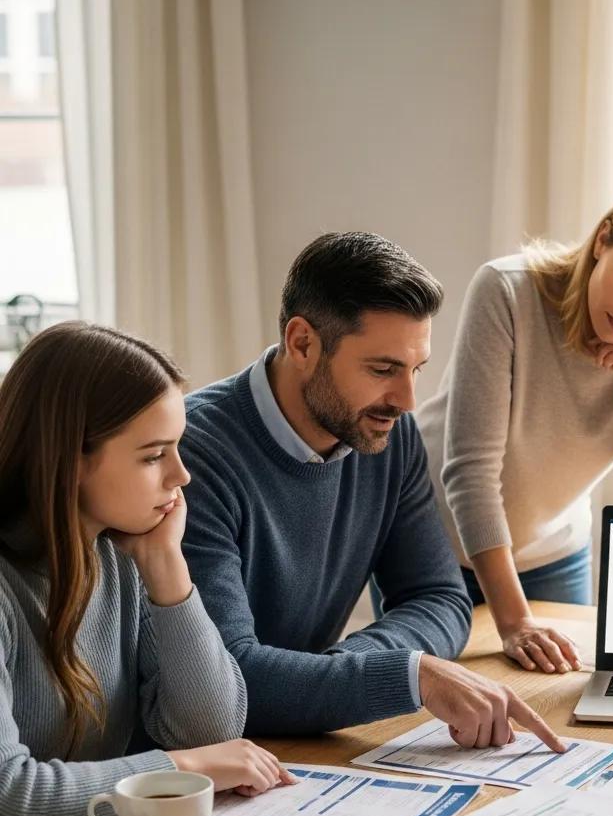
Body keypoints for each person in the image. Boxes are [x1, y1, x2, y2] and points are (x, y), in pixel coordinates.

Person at [180, 231, 564, 752]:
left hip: (300, 745)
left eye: (415, 369)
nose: (407, 400)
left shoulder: (385, 433)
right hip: (200, 759)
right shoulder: (193, 456)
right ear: (302, 343)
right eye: (383, 369)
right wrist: (409, 675)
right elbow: (226, 679)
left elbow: (439, 597)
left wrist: (345, 672)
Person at [417, 176, 613, 674]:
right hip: (434, 539)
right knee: (426, 707)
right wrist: (515, 622)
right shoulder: (507, 290)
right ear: (604, 239)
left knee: (559, 701)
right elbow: (471, 473)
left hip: (554, 550)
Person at [0, 323, 292, 816]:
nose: (181, 475)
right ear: (69, 459)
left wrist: (166, 566)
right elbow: (7, 797)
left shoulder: (122, 553)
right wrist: (179, 769)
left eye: (177, 449)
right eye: (154, 455)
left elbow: (212, 731)